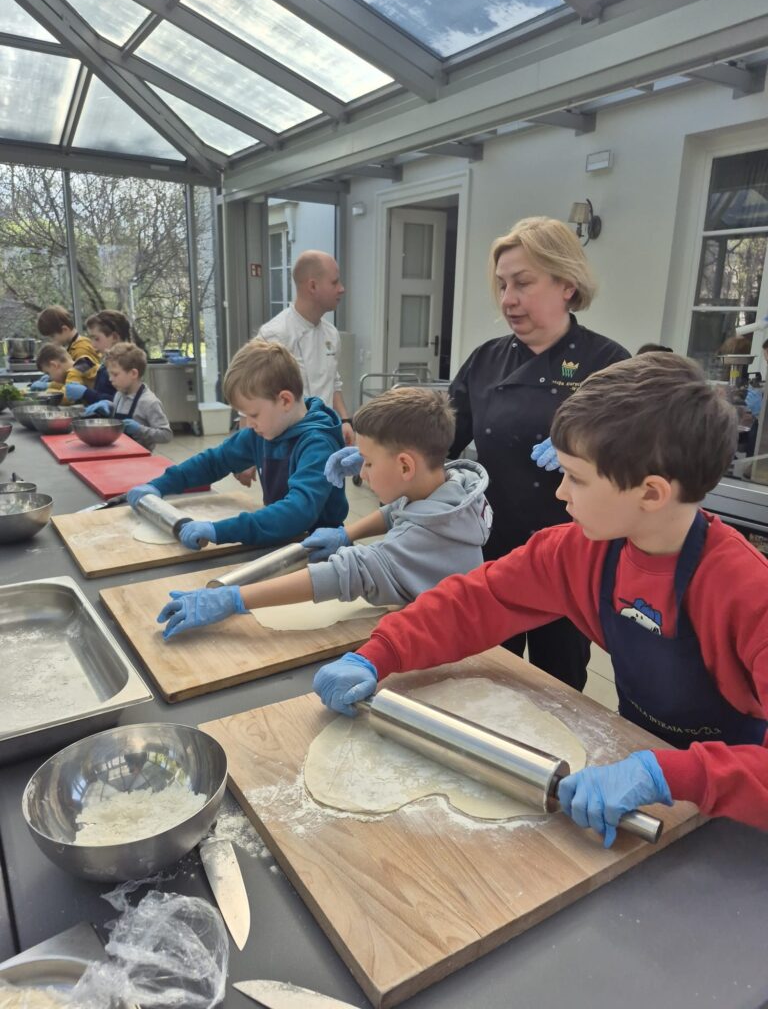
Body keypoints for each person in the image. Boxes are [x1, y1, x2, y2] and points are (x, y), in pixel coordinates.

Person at [313, 353, 768, 846]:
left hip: (737, 807)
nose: (560, 493)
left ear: (651, 493)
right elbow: (478, 600)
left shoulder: (746, 590)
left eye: (577, 477)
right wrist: (381, 652)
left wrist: (669, 775)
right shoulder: (580, 552)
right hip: (640, 771)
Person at [332, 218, 629, 691]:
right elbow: (437, 440)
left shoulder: (608, 364)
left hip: (570, 556)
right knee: (485, 674)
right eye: (502, 285)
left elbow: (639, 462)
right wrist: (378, 454)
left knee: (557, 683)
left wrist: (593, 448)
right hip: (488, 544)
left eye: (523, 283)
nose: (508, 299)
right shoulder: (487, 360)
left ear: (567, 284)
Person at [156, 387, 492, 639]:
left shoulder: (419, 539)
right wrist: (347, 533)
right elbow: (397, 511)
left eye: (368, 463)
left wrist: (235, 598)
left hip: (448, 643)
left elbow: (345, 573)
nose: (362, 472)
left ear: (405, 466)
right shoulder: (450, 489)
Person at [126, 339, 348, 550]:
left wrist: (219, 530)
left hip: (322, 550)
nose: (249, 424)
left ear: (285, 400)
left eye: (254, 414)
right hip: (283, 538)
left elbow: (297, 512)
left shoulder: (317, 445)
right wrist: (160, 485)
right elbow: (214, 461)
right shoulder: (264, 431)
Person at [258, 250, 354, 446]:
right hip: (287, 442)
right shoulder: (274, 335)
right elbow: (253, 395)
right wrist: (248, 453)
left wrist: (345, 420)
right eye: (334, 282)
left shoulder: (331, 334)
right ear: (313, 286)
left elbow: (333, 382)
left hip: (325, 434)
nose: (342, 289)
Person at [84, 343, 171, 451]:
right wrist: (109, 407)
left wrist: (139, 429)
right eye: (109, 374)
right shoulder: (119, 394)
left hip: (139, 457)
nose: (110, 379)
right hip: (119, 452)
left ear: (133, 373)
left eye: (115, 374)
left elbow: (166, 435)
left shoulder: (149, 402)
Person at [65, 310, 145, 406]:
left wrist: (86, 393)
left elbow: (124, 402)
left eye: (97, 339)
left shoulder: (127, 365)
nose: (93, 345)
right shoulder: (106, 363)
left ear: (114, 337)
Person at [29, 305, 99, 393]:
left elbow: (80, 386)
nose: (52, 342)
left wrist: (50, 386)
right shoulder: (73, 346)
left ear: (64, 329)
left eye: (52, 336)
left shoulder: (81, 350)